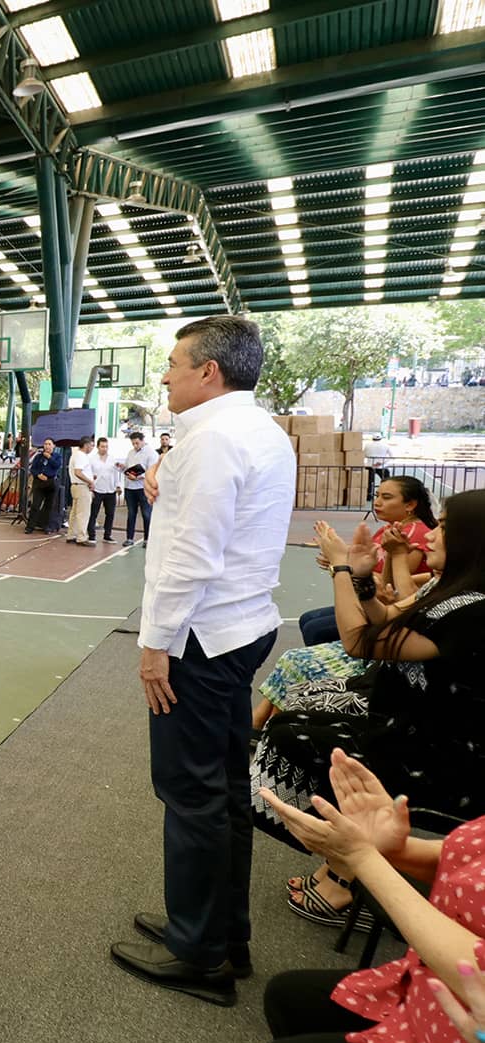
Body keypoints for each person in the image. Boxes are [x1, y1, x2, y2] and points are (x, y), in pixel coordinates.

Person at [111, 315, 295, 1006]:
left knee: (190, 795)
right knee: (221, 790)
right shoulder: (252, 429)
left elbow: (192, 555)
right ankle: (222, 932)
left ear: (207, 372)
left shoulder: (214, 439)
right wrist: (167, 465)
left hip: (199, 637)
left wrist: (153, 643)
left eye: (173, 364)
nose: (165, 375)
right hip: (239, 626)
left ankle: (200, 953)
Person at [253, 498, 484, 926]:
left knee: (295, 736)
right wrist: (360, 578)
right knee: (294, 718)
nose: (431, 533)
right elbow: (386, 618)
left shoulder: (474, 609)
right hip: (413, 727)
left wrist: (342, 569)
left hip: (444, 756)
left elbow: (359, 641)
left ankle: (351, 875)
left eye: (445, 527)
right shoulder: (459, 593)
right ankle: (343, 862)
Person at [257, 749, 485, 1043]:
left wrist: (362, 857)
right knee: (287, 997)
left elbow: (476, 967)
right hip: (425, 989)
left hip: (458, 1031)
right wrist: (390, 849)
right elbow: (471, 857)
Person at [297, 476, 438, 647]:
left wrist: (342, 565)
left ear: (410, 505)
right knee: (308, 619)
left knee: (315, 629)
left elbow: (391, 585)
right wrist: (338, 554)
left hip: (393, 607)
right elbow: (369, 561)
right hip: (373, 598)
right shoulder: (389, 528)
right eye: (377, 495)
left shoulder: (413, 534)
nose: (377, 502)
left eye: (386, 497)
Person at [118, 432, 158, 546]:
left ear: (142, 440)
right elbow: (127, 466)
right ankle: (129, 538)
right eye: (133, 443)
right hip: (130, 487)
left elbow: (153, 471)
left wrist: (139, 477)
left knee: (146, 513)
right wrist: (122, 467)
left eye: (137, 443)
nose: (135, 445)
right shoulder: (131, 453)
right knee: (131, 513)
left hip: (143, 487)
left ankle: (147, 539)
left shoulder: (151, 453)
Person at [83, 436, 121, 544]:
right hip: (97, 489)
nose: (104, 449)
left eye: (106, 447)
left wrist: (118, 485)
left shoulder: (112, 459)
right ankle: (91, 535)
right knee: (93, 513)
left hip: (110, 490)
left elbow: (116, 473)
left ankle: (107, 535)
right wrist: (90, 487)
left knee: (110, 513)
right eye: (102, 446)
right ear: (98, 447)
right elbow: (88, 474)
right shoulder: (91, 460)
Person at [26, 438, 62, 535]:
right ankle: (30, 526)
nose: (47, 446)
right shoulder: (38, 457)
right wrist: (38, 475)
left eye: (49, 444)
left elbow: (57, 466)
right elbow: (33, 469)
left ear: (53, 446)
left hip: (51, 482)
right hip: (39, 483)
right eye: (45, 444)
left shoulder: (57, 456)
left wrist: (49, 458)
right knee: (35, 505)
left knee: (49, 506)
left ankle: (46, 526)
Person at [66, 436, 94, 544]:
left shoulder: (75, 455)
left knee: (75, 512)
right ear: (86, 445)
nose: (92, 448)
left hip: (75, 486)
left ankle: (71, 534)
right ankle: (82, 537)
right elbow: (78, 472)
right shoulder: (81, 456)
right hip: (82, 486)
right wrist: (90, 481)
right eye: (91, 445)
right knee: (83, 513)